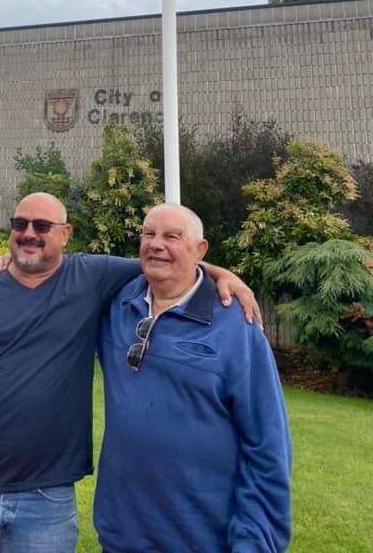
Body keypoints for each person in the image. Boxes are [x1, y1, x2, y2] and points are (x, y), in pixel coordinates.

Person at [0, 192, 260, 553]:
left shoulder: (91, 276)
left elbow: (164, 262)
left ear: (65, 233)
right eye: (20, 224)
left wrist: (225, 275)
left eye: (42, 226)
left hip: (45, 499)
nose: (29, 233)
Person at [95, 203, 291, 553]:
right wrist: (8, 263)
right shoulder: (115, 303)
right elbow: (52, 269)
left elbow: (268, 446)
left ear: (200, 251)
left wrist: (254, 543)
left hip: (203, 540)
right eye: (148, 233)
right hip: (121, 536)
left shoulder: (236, 326)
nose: (156, 244)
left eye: (172, 236)